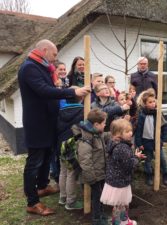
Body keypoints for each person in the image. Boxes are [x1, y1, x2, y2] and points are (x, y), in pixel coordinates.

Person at [18, 39, 90, 216]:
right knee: (35, 161)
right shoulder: (29, 68)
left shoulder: (43, 67)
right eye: (54, 54)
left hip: (48, 120)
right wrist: (73, 92)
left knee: (48, 154)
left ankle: (42, 186)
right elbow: (44, 91)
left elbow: (52, 88)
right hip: (37, 123)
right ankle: (32, 202)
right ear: (44, 50)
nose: (55, 58)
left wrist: (66, 88)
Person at [100, 118, 145, 225]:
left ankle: (123, 220)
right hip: (120, 181)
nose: (131, 133)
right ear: (118, 134)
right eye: (127, 131)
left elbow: (124, 161)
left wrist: (134, 156)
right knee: (120, 204)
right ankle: (119, 222)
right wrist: (137, 159)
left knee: (121, 204)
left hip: (115, 179)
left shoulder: (115, 143)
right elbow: (129, 165)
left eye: (130, 130)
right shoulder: (122, 148)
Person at [74, 109, 110, 225]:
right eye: (104, 123)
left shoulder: (97, 133)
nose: (105, 125)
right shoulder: (86, 139)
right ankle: (96, 219)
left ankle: (101, 213)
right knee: (96, 196)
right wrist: (92, 178)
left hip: (100, 172)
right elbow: (85, 161)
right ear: (96, 124)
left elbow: (106, 135)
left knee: (101, 195)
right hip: (93, 176)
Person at [135, 89, 167, 186]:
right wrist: (139, 143)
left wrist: (164, 138)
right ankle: (149, 176)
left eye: (154, 101)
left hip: (157, 141)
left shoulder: (158, 114)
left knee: (162, 159)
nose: (153, 103)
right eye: (150, 102)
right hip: (146, 142)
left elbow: (164, 126)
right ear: (145, 103)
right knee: (148, 160)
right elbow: (139, 130)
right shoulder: (142, 115)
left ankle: (166, 175)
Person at [57, 86, 84, 210]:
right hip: (72, 145)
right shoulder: (82, 110)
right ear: (81, 97)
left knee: (63, 171)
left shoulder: (60, 110)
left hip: (61, 143)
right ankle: (71, 202)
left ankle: (62, 197)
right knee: (72, 173)